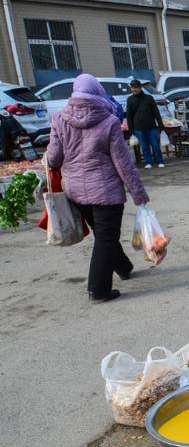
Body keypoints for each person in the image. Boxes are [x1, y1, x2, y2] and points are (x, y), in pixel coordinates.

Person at [46, 74, 150, 303]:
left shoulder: (59, 119)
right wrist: (139, 195)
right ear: (98, 93)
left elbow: (53, 158)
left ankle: (123, 267)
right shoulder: (109, 122)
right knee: (105, 238)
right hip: (106, 193)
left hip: (75, 192)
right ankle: (98, 289)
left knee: (104, 236)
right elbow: (123, 164)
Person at [125, 79, 165, 169]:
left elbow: (156, 112)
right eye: (132, 88)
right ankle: (148, 162)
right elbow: (129, 116)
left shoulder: (149, 98)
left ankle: (160, 161)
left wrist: (161, 126)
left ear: (140, 88)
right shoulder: (130, 99)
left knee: (155, 145)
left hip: (151, 126)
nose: (134, 89)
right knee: (144, 146)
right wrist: (131, 130)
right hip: (138, 127)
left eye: (136, 87)